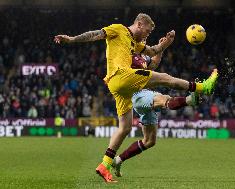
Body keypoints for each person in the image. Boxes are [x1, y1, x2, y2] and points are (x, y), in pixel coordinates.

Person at [54, 13, 218, 183]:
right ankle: (203, 87)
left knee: (124, 127)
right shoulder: (118, 29)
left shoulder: (134, 44)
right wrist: (72, 39)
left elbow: (153, 51)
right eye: (147, 31)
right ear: (139, 24)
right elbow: (95, 34)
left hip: (119, 87)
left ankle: (105, 165)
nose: (148, 34)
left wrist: (165, 44)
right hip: (121, 75)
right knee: (165, 78)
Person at [112, 44, 202, 177]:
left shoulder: (142, 57)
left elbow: (153, 64)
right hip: (136, 95)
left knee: (149, 141)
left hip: (144, 94)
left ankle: (118, 160)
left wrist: (162, 48)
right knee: (164, 98)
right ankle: (189, 100)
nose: (143, 42)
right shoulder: (126, 56)